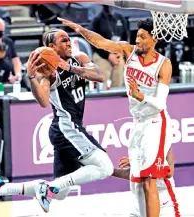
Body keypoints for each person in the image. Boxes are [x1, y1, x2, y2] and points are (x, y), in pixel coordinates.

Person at [0, 29, 115, 212]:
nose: (68, 42)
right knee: (105, 167)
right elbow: (43, 101)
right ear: (51, 47)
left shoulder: (79, 58)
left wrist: (69, 67)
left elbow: (99, 75)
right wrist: (32, 78)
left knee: (61, 193)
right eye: (63, 40)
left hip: (68, 128)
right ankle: (48, 189)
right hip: (66, 128)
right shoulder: (49, 71)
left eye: (68, 39)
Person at [58, 17, 176, 217]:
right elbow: (101, 42)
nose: (137, 40)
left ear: (154, 39)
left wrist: (140, 95)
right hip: (138, 124)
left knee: (148, 181)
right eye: (137, 36)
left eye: (142, 37)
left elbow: (160, 103)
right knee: (137, 182)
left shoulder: (164, 65)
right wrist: (80, 29)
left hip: (156, 121)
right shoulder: (128, 51)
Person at [113, 148, 180, 217]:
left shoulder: (164, 143)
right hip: (137, 205)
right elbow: (133, 173)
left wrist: (138, 163)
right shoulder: (136, 143)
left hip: (163, 206)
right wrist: (110, 171)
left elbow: (169, 173)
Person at [90, 5, 128, 88]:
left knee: (119, 80)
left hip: (117, 54)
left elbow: (125, 37)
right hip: (101, 55)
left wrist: (120, 53)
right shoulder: (97, 20)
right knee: (102, 82)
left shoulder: (120, 18)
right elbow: (94, 42)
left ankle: (117, 98)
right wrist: (108, 55)